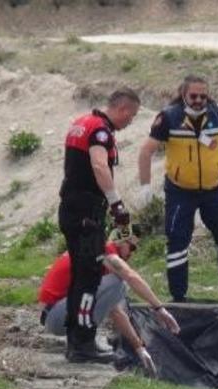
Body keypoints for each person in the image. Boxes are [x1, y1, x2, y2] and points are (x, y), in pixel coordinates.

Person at [136, 75, 218, 302]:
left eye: (203, 95)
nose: (199, 100)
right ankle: (179, 297)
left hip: (215, 190)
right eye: (193, 96)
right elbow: (146, 151)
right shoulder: (169, 117)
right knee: (177, 242)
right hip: (180, 192)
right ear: (183, 94)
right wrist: (145, 186)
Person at [59, 88, 140, 361]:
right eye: (132, 116)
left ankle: (75, 340)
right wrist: (117, 204)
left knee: (79, 275)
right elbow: (99, 166)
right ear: (124, 110)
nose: (130, 122)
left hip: (71, 208)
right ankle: (82, 344)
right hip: (86, 213)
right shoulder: (100, 131)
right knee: (89, 277)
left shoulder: (81, 123)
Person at [39, 234, 181, 373]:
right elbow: (131, 276)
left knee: (115, 286)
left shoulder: (97, 259)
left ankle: (84, 342)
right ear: (120, 241)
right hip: (57, 314)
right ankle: (81, 347)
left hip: (59, 314)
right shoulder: (104, 251)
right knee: (119, 282)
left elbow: (116, 312)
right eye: (131, 248)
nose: (131, 254)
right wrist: (159, 308)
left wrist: (139, 347)